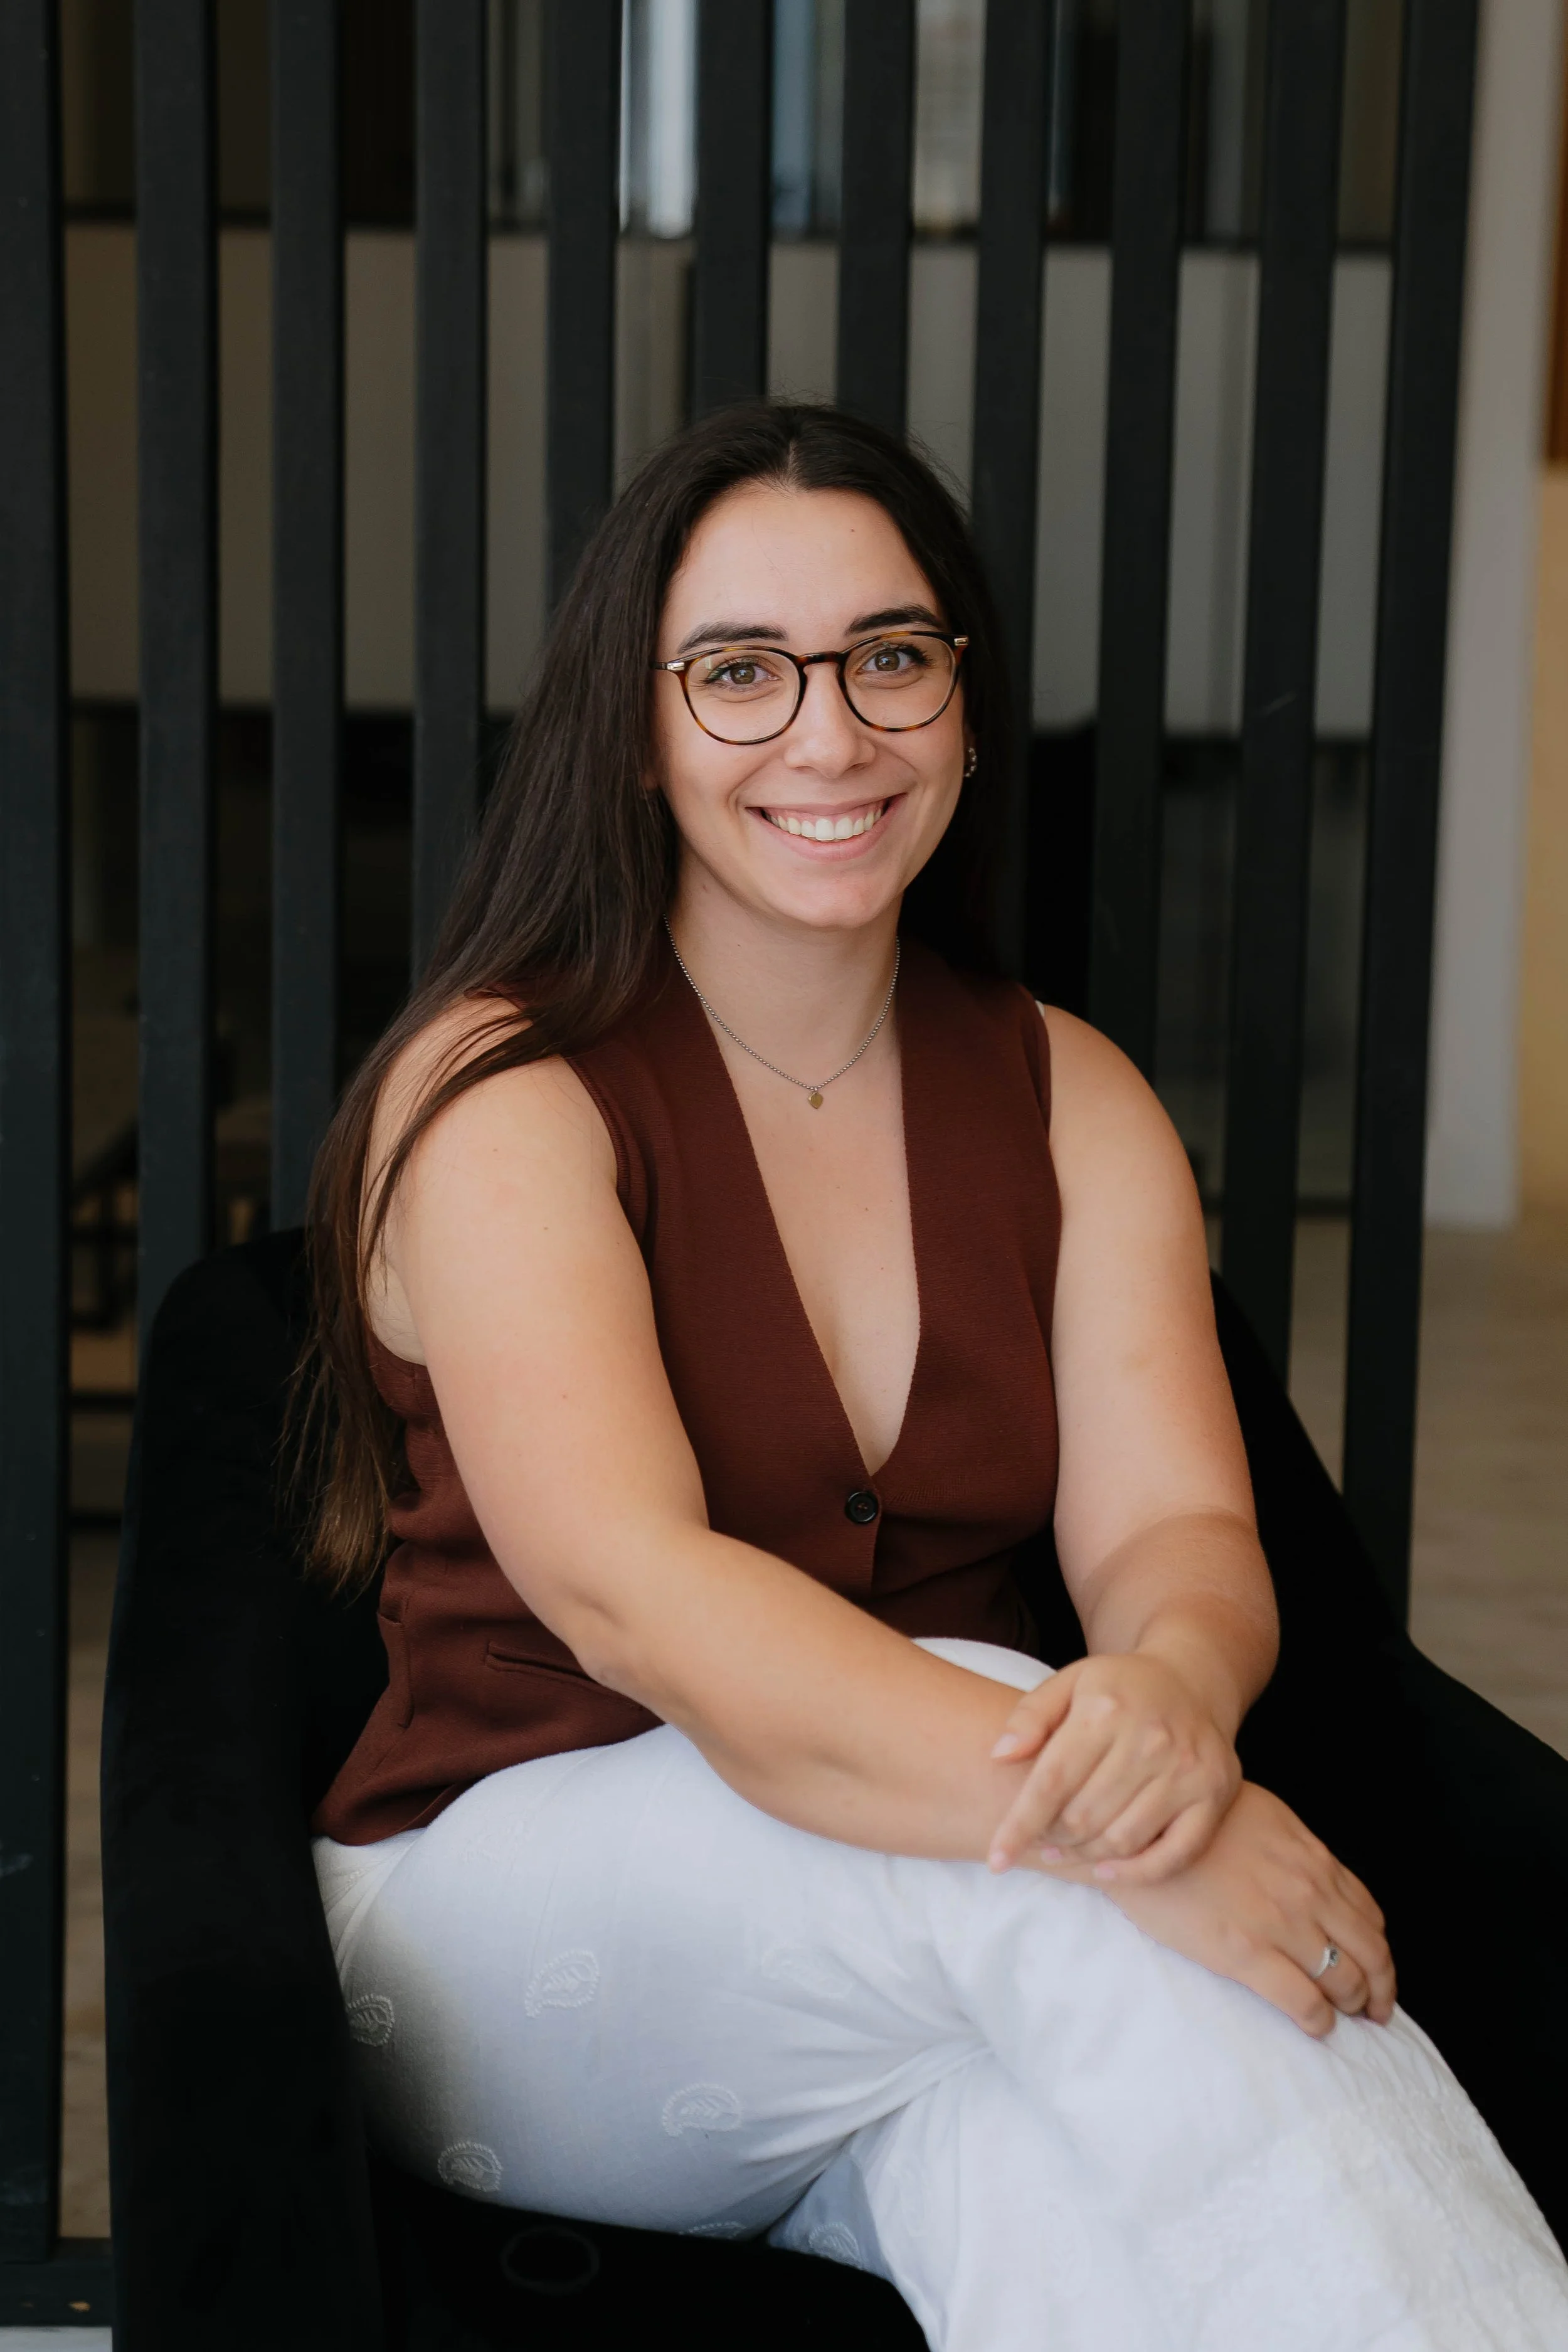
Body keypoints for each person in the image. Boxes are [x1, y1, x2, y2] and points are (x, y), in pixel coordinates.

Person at [300, 403, 1567, 2349]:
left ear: (966, 710)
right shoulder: (499, 1095)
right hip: (511, 1932)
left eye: (890, 657)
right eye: (739, 673)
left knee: (1067, 2205)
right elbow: (631, 1590)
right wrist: (1142, 1813)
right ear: (632, 728)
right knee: (1026, 1745)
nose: (829, 733)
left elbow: (1175, 1526)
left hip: (925, 1968)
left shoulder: (1074, 1094)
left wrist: (1165, 1689)